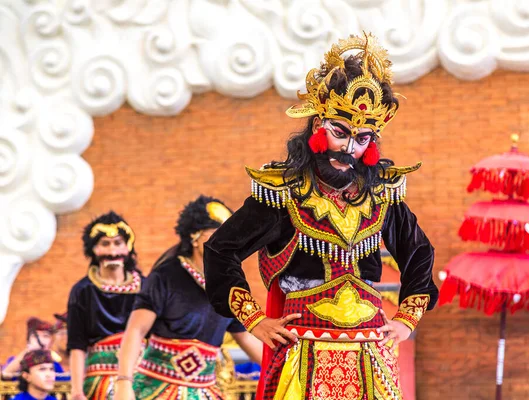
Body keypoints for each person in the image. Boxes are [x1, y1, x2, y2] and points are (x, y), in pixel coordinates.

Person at [204, 33, 438, 399]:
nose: (348, 149)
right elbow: (221, 250)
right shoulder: (282, 194)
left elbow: (419, 253)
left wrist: (407, 319)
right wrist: (254, 320)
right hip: (304, 353)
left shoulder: (381, 196)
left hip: (371, 355)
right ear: (317, 126)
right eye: (340, 132)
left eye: (362, 139)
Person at [115, 195, 262, 400]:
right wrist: (124, 381)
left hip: (206, 391)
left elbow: (245, 336)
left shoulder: (230, 284)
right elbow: (136, 330)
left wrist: (288, 370)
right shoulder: (166, 276)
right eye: (218, 233)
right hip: (156, 387)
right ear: (195, 235)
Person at [67, 211, 144, 400]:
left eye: (118, 243)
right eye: (105, 244)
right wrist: (77, 390)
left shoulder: (146, 286)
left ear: (128, 246)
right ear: (93, 249)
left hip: (142, 373)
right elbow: (77, 345)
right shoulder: (83, 290)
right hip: (100, 378)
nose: (112, 251)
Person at [1, 318, 65, 382]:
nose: (40, 340)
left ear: (51, 341)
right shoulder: (16, 361)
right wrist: (28, 351)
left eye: (45, 336)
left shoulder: (54, 364)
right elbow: (4, 375)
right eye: (35, 336)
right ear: (28, 340)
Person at [51, 312, 70, 381]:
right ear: (53, 336)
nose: (66, 338)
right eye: (62, 333)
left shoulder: (88, 362)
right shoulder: (46, 362)